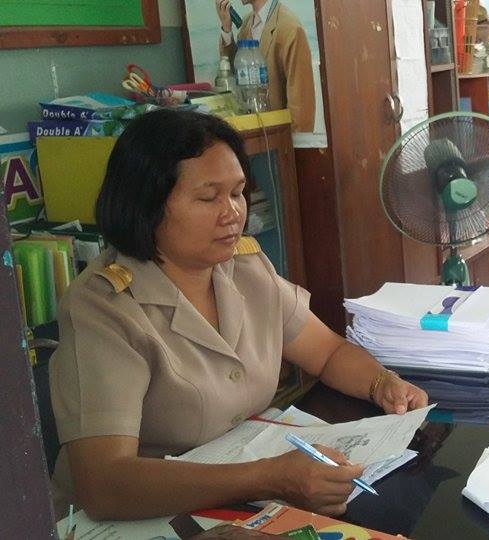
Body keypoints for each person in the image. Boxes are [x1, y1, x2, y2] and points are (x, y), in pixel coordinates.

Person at [49, 109, 428, 521]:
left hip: (233, 498)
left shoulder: (245, 268)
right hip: (144, 518)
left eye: (237, 192)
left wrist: (381, 383)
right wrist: (267, 478)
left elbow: (329, 353)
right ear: (147, 204)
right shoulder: (102, 307)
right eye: (208, 197)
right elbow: (105, 484)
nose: (233, 212)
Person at [215, 0, 316, 133]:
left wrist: (297, 144)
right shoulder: (246, 24)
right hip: (254, 132)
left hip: (279, 135)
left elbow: (301, 102)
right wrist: (226, 29)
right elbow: (235, 72)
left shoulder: (289, 28)